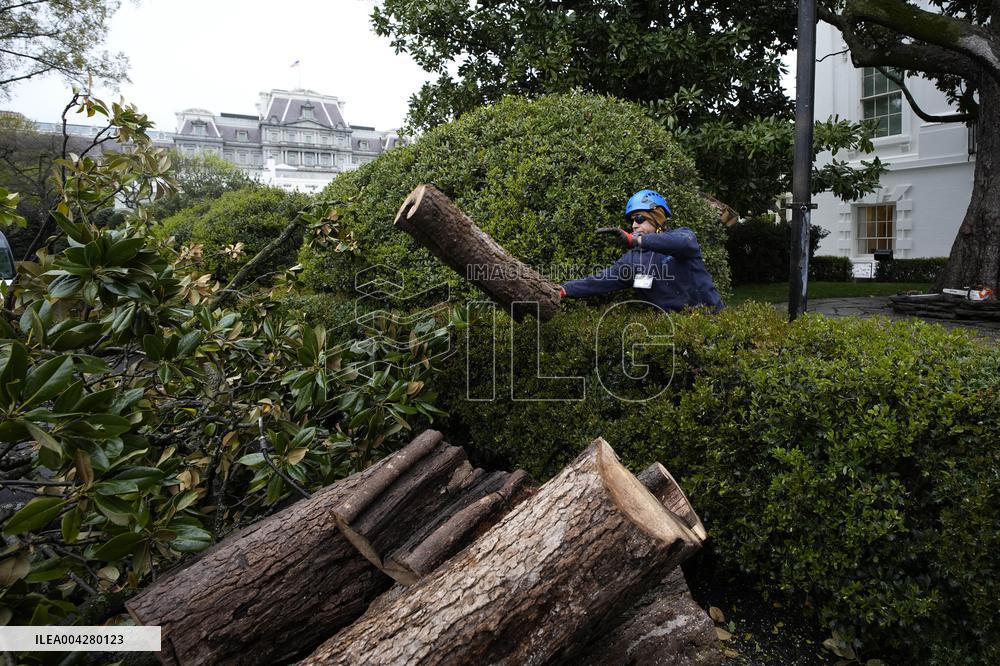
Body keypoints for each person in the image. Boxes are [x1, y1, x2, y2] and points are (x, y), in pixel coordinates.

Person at [559, 189, 724, 313]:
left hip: (712, 321)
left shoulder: (683, 237)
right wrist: (564, 289)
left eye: (639, 218)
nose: (634, 225)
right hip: (677, 331)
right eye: (632, 221)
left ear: (657, 217)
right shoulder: (632, 260)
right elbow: (598, 281)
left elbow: (682, 243)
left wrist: (635, 240)